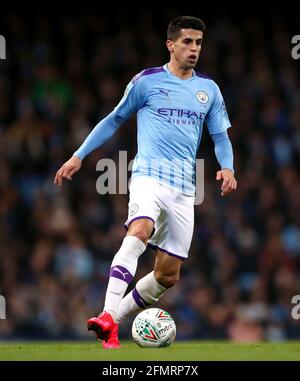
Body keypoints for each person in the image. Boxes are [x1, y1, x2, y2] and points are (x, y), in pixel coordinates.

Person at [54, 15, 237, 349]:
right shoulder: (147, 82)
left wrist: (228, 167)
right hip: (148, 176)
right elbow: (114, 120)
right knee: (139, 229)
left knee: (168, 275)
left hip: (185, 189)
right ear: (171, 45)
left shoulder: (208, 90)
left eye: (198, 42)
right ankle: (107, 313)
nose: (194, 48)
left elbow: (220, 137)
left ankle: (111, 322)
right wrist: (78, 155)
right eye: (187, 42)